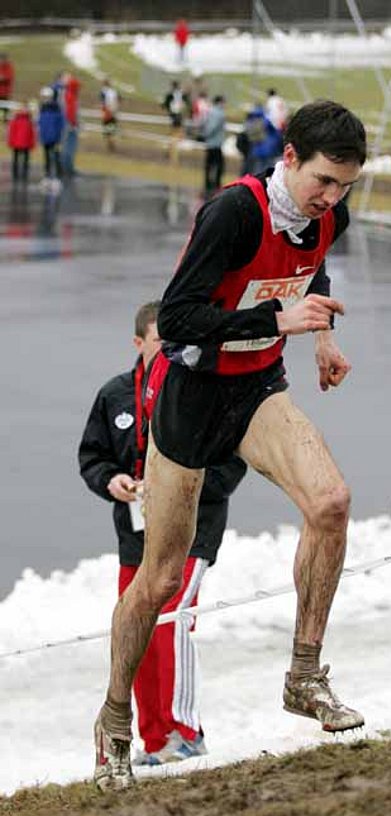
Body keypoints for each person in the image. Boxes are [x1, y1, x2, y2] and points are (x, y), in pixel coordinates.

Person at [93, 99, 367, 791]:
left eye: (344, 187)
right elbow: (178, 319)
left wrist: (322, 336)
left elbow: (313, 271)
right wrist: (278, 318)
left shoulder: (327, 216)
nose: (331, 199)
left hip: (257, 390)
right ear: (290, 158)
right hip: (192, 396)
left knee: (331, 502)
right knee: (161, 578)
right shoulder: (234, 213)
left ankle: (304, 675)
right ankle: (115, 721)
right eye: (323, 182)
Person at [79, 302, 247, 766]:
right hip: (137, 535)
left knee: (172, 621)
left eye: (177, 340)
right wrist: (112, 481)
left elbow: (233, 463)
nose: (169, 349)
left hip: (193, 530)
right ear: (139, 343)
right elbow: (92, 457)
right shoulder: (115, 394)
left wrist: (181, 489)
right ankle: (155, 741)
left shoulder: (208, 389)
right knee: (135, 629)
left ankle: (186, 732)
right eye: (160, 341)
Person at [37, 86, 64, 191]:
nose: (45, 99)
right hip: (45, 137)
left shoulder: (56, 108)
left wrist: (59, 137)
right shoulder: (42, 108)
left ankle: (57, 177)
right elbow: (40, 123)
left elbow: (60, 124)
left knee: (55, 157)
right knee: (46, 157)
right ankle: (47, 177)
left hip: (54, 137)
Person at [202, 94, 226, 196]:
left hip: (210, 143)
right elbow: (213, 127)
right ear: (219, 102)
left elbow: (204, 123)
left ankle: (207, 182)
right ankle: (216, 183)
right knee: (218, 164)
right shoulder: (219, 113)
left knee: (209, 164)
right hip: (216, 144)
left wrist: (204, 135)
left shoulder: (209, 111)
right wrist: (207, 134)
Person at [7, 102, 36, 183]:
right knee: (16, 159)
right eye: (23, 108)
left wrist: (32, 143)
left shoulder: (29, 120)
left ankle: (24, 174)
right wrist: (11, 142)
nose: (24, 110)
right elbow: (12, 132)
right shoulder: (15, 120)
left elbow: (32, 133)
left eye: (25, 108)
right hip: (17, 143)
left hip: (26, 144)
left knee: (25, 160)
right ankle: (15, 174)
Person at [59, 71, 80, 177]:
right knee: (69, 146)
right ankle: (67, 168)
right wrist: (73, 124)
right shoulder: (69, 94)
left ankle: (66, 167)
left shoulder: (66, 93)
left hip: (68, 123)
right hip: (69, 124)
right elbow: (70, 111)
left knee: (67, 146)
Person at [100, 79, 119, 151]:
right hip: (113, 112)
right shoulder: (114, 92)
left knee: (107, 130)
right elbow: (117, 101)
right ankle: (112, 143)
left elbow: (103, 103)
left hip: (107, 112)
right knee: (112, 129)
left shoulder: (104, 91)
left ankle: (110, 144)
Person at [0, 53, 14, 123]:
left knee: (5, 108)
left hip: (5, 92)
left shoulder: (9, 67)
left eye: (3, 59)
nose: (2, 61)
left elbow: (9, 77)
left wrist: (2, 78)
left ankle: (5, 120)